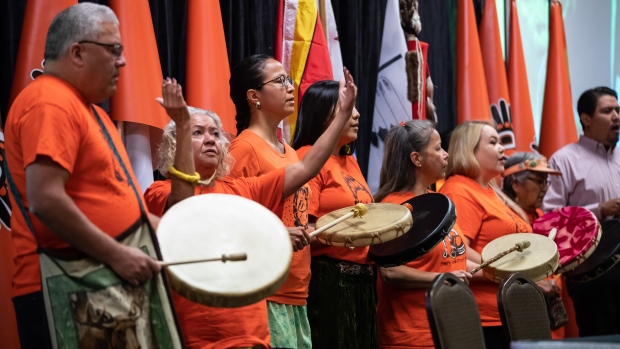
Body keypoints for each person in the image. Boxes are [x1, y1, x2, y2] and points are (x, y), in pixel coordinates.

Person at [145, 73, 356, 348]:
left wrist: (341, 115)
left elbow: (306, 168)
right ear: (176, 143)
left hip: (254, 331)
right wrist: (184, 125)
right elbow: (186, 210)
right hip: (198, 332)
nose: (210, 140)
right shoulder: (160, 192)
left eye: (215, 133)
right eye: (198, 133)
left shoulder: (242, 188)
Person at [4, 4, 161, 349]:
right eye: (114, 50)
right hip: (68, 283)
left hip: (101, 281)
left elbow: (119, 202)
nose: (122, 62)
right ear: (77, 52)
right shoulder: (50, 100)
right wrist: (118, 254)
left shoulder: (92, 113)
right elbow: (46, 200)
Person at [226, 54, 313, 349]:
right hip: (266, 292)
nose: (290, 87)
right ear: (254, 97)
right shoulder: (244, 148)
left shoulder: (288, 150)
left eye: (289, 80)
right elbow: (227, 222)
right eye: (279, 81)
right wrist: (276, 234)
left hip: (297, 289)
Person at [291, 80, 377, 349]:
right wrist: (350, 234)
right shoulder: (307, 158)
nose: (357, 114)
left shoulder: (349, 159)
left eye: (355, 107)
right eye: (346, 107)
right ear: (322, 114)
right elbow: (304, 231)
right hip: (329, 282)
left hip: (362, 282)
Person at [373, 120, 472, 349]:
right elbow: (390, 272)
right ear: (417, 159)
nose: (446, 154)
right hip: (413, 336)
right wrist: (442, 279)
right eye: (437, 148)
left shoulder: (437, 203)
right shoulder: (394, 208)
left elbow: (451, 259)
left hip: (449, 328)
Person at [438, 120, 531, 349]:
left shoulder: (491, 190)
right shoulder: (459, 189)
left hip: (509, 309)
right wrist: (509, 269)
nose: (502, 148)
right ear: (469, 150)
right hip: (484, 315)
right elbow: (457, 251)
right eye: (493, 142)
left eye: (501, 142)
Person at [542, 86, 620, 336]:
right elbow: (550, 218)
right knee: (602, 339)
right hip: (593, 276)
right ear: (586, 119)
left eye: (618, 110)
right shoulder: (564, 160)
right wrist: (598, 210)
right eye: (608, 111)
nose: (617, 116)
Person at [502, 152, 562, 223]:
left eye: (546, 182)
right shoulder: (503, 219)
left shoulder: (539, 215)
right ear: (516, 184)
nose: (544, 189)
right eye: (539, 181)